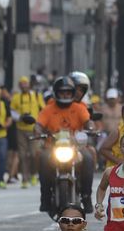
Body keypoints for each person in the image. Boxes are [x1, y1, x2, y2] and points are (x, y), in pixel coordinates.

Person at [36, 76, 95, 215]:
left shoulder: (79, 108)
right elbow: (38, 125)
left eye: (68, 92)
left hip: (76, 147)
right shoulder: (48, 109)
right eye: (62, 92)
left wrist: (90, 128)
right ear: (56, 93)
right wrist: (38, 132)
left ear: (72, 93)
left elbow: (88, 122)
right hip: (52, 147)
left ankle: (86, 196)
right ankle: (45, 196)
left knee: (88, 157)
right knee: (42, 157)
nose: (65, 95)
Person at [11, 76, 43, 186]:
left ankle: (33, 174)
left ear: (29, 85)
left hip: (34, 129)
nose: (24, 85)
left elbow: (43, 110)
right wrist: (20, 117)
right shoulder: (16, 97)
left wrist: (39, 125)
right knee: (22, 155)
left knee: (34, 154)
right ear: (19, 86)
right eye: (22, 83)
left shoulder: (37, 96)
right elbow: (12, 112)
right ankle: (24, 179)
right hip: (21, 129)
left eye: (26, 83)